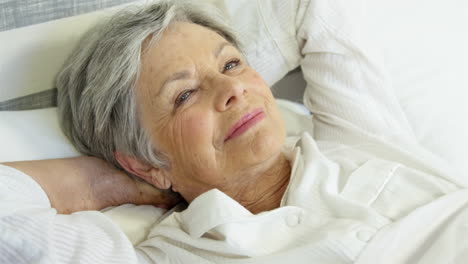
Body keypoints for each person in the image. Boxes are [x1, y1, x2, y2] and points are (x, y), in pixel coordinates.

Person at [1, 0, 466, 263]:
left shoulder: (358, 137)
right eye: (184, 95)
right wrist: (102, 180)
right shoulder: (170, 257)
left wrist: (220, 81)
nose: (233, 89)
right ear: (141, 158)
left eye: (232, 63)